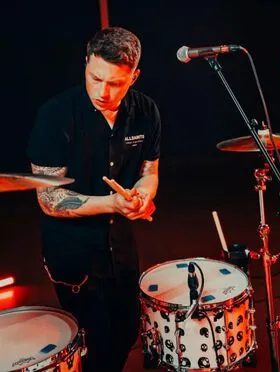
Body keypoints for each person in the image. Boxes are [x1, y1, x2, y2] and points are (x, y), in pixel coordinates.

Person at [27, 26, 161, 371]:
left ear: (135, 76)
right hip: (73, 252)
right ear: (86, 63)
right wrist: (112, 204)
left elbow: (150, 171)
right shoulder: (54, 115)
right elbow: (50, 198)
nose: (102, 91)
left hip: (121, 246)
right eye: (95, 77)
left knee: (128, 332)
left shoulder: (146, 111)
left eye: (115, 83)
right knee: (94, 344)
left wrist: (143, 197)